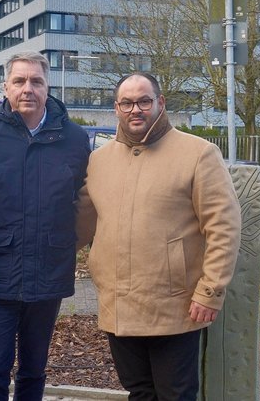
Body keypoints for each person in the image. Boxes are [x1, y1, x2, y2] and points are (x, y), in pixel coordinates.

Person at [76, 72, 241, 400]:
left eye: (144, 101)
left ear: (160, 103)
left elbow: (224, 226)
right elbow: (80, 224)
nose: (135, 109)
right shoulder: (98, 161)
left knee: (175, 394)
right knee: (138, 392)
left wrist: (210, 292)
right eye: (127, 103)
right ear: (116, 108)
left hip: (175, 307)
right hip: (118, 305)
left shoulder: (198, 154)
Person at [0, 51, 90, 400]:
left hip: (49, 270)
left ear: (48, 87)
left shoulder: (76, 140)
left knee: (35, 371)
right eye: (19, 81)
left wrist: (68, 241)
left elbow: (85, 200)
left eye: (36, 81)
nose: (27, 89)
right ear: (5, 87)